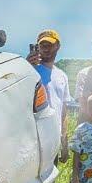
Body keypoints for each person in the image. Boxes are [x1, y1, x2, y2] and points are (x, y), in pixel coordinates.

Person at [27, 29, 71, 162]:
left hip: (54, 139)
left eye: (49, 45)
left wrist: (64, 141)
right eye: (42, 45)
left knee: (52, 174)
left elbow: (63, 111)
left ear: (58, 46)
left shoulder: (62, 76)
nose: (45, 49)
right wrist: (26, 65)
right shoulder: (29, 70)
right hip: (33, 139)